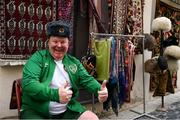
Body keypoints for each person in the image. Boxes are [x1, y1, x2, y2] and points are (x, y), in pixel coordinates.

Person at [20, 20, 108, 119]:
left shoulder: (73, 62)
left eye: (63, 42)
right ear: (48, 42)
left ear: (68, 43)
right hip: (37, 111)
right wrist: (55, 95)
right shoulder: (38, 58)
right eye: (55, 41)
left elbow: (87, 80)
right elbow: (29, 84)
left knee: (92, 118)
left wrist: (100, 90)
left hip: (68, 111)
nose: (59, 45)